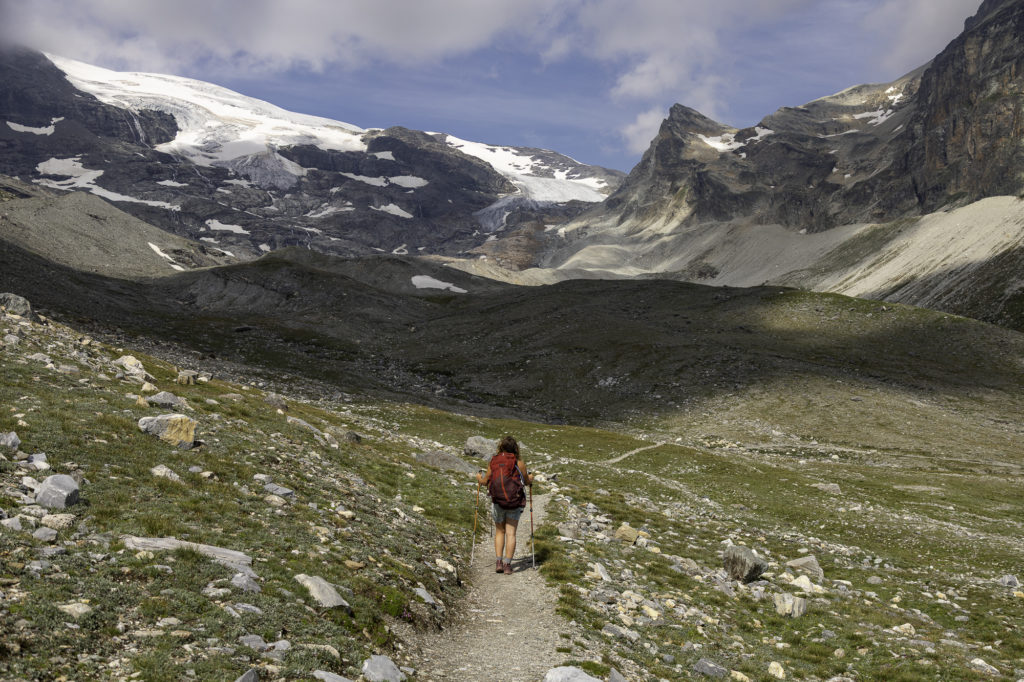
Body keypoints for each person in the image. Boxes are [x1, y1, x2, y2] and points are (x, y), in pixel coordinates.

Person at [476, 435, 534, 574]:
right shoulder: (518, 462)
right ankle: (508, 565)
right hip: (515, 502)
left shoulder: (494, 461)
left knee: (500, 532)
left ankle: (498, 563)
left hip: (498, 502)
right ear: (515, 448)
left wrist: (479, 478)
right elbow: (526, 482)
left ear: (500, 447)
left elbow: (485, 482)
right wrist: (531, 478)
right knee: (511, 533)